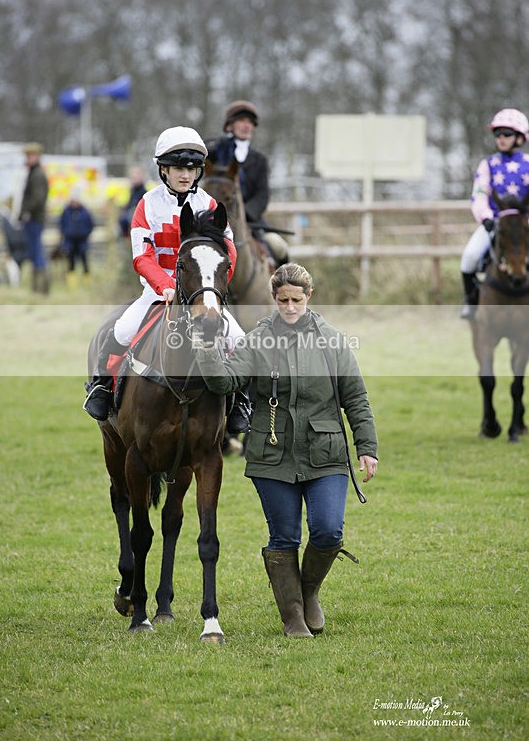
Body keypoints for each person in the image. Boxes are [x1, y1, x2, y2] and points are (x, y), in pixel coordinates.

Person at [195, 262, 378, 637]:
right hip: (272, 455)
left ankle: (308, 592)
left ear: (309, 297)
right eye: (283, 300)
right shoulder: (258, 339)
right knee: (285, 538)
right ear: (274, 299)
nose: (291, 307)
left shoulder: (332, 341)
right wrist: (206, 349)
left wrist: (367, 447)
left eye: (297, 299)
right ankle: (293, 615)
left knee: (328, 531)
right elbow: (225, 382)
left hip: (326, 453)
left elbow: (356, 398)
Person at [83, 126, 250, 431]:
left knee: (238, 340)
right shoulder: (147, 204)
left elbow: (228, 253)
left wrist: (209, 290)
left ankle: (240, 400)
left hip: (201, 293)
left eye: (191, 168)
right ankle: (103, 388)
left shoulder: (210, 206)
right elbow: (141, 256)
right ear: (163, 170)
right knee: (121, 330)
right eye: (177, 168)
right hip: (157, 292)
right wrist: (165, 286)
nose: (185, 175)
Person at [460, 108, 529, 319]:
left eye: (506, 133)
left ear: (519, 137)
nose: (501, 138)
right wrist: (486, 218)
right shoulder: (488, 165)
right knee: (469, 257)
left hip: (524, 225)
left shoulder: (528, 164)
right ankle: (471, 303)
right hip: (496, 223)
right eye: (497, 134)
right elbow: (479, 194)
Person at [206, 100, 288, 266]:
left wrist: (243, 214)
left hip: (249, 221)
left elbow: (262, 196)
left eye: (250, 122)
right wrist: (217, 145)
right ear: (229, 126)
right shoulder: (215, 152)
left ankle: (282, 289)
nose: (247, 125)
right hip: (213, 219)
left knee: (279, 246)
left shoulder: (259, 160)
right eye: (241, 121)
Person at [18, 142, 50, 293]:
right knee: (35, 251)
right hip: (34, 219)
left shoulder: (37, 174)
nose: (27, 159)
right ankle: (38, 288)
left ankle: (41, 288)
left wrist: (26, 212)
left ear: (36, 156)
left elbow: (37, 198)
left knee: (37, 252)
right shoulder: (34, 173)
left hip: (34, 219)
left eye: (30, 156)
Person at [59, 191, 94, 286]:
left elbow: (90, 224)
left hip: (82, 240)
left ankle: (87, 281)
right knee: (71, 261)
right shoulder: (66, 211)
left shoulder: (84, 211)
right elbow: (61, 224)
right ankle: (72, 283)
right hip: (70, 241)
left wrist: (85, 233)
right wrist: (66, 233)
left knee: (84, 260)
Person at [119, 166, 147, 238]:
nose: (134, 178)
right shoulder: (131, 191)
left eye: (136, 176)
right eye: (133, 177)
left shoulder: (144, 192)